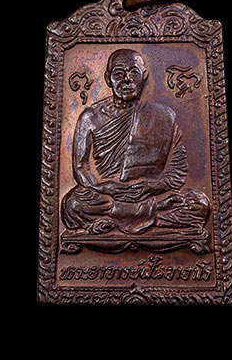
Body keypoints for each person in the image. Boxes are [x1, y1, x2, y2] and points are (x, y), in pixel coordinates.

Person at [61, 49, 210, 235]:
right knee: (73, 205)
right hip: (107, 195)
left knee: (199, 204)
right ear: (108, 79)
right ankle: (151, 216)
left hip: (150, 194)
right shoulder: (90, 117)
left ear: (144, 76)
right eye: (118, 74)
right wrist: (102, 187)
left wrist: (151, 187)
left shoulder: (164, 115)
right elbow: (80, 168)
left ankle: (114, 221)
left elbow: (177, 170)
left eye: (134, 73)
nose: (127, 80)